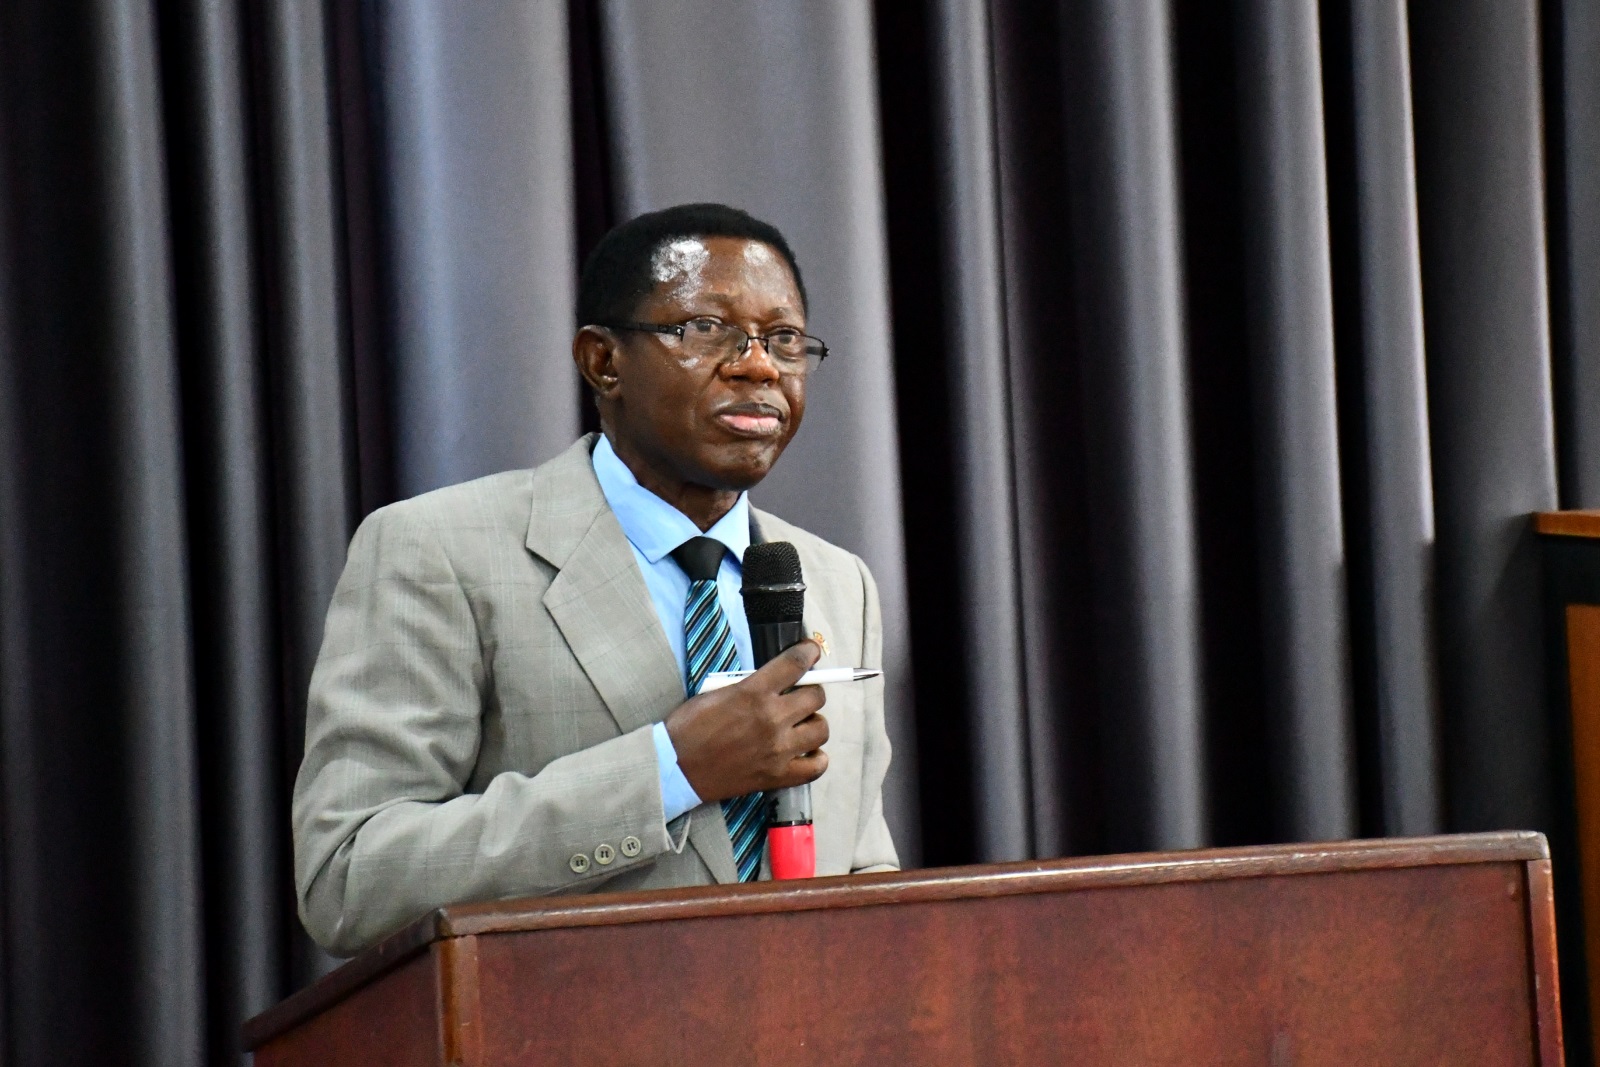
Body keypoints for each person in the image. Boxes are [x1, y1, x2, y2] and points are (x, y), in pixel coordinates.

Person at [293, 203, 898, 956]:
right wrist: (667, 770)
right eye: (707, 330)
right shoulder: (438, 552)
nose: (759, 366)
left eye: (783, 340)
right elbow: (349, 879)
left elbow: (863, 876)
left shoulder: (842, 583)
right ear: (602, 361)